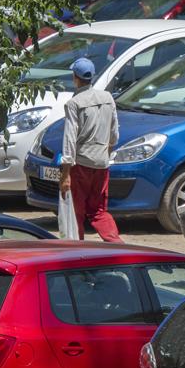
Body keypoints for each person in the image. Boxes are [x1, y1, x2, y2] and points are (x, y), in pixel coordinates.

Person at [59, 57, 122, 243]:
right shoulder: (108, 98)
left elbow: (69, 138)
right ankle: (116, 244)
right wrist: (106, 152)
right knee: (99, 211)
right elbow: (114, 134)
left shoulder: (74, 103)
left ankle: (77, 250)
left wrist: (65, 173)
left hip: (81, 165)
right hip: (102, 164)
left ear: (75, 77)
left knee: (76, 212)